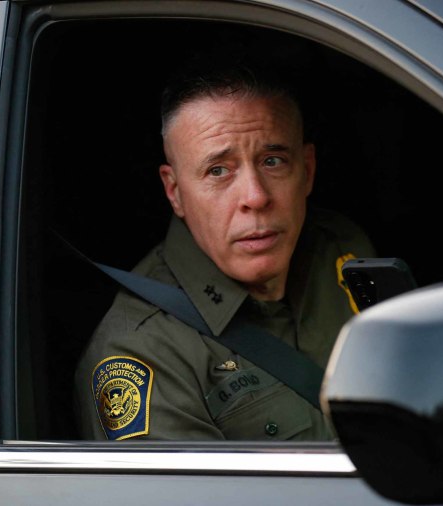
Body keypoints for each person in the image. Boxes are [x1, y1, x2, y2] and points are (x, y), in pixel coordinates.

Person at [74, 61, 376, 441]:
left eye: (273, 161)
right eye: (218, 170)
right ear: (175, 192)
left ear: (308, 170)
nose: (255, 196)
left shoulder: (342, 247)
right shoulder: (144, 351)